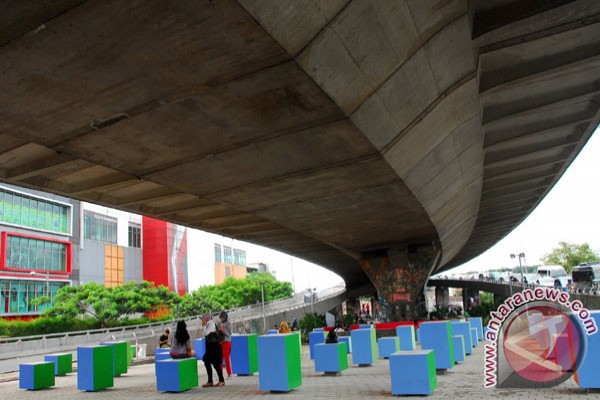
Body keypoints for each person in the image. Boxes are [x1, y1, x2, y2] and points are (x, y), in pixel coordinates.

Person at [201, 313, 225, 387]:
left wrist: (204, 325)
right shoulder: (208, 324)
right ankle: (210, 381)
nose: (202, 320)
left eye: (203, 319)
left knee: (215, 364)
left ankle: (221, 380)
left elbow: (205, 334)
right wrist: (204, 326)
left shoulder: (210, 323)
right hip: (210, 348)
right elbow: (204, 334)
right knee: (207, 362)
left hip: (214, 348)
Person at [218, 310, 233, 380]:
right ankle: (220, 375)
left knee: (226, 357)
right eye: (220, 318)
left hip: (227, 342)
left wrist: (223, 330)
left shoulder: (228, 323)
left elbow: (229, 334)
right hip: (221, 342)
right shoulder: (220, 323)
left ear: (225, 317)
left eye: (222, 318)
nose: (221, 319)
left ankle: (229, 374)